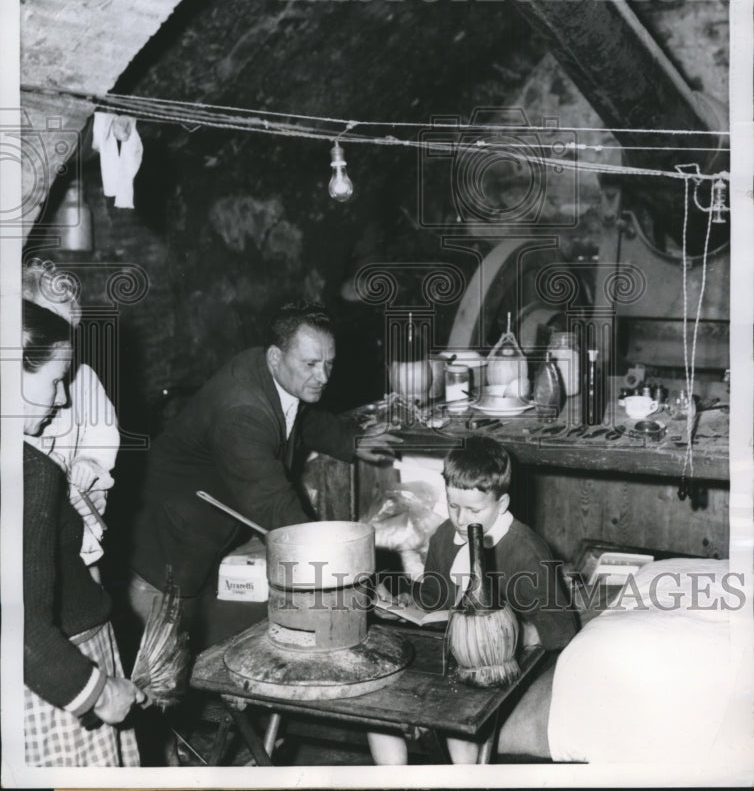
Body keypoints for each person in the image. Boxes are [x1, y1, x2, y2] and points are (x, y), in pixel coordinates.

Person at [128, 301, 399, 635]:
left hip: (211, 518)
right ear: (276, 356)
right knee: (164, 660)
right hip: (170, 542)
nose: (323, 376)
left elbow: (299, 412)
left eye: (329, 363)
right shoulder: (242, 412)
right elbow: (275, 506)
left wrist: (350, 441)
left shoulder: (271, 367)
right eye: (311, 364)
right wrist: (352, 577)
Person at [368, 436, 578, 765]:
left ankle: (467, 776)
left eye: (474, 510)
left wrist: (508, 636)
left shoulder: (524, 550)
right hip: (447, 651)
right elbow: (432, 599)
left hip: (497, 662)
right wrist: (397, 605)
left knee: (458, 719)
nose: (462, 520)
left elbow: (561, 627)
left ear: (502, 504)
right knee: (378, 705)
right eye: (453, 506)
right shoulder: (443, 537)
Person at [22, 298, 144, 766]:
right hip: (56, 669)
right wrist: (97, 691)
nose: (62, 397)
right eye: (54, 380)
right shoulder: (30, 471)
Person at [22, 258, 121, 575]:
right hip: (34, 536)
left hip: (78, 525)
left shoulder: (83, 380)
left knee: (91, 585)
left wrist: (92, 464)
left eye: (68, 331)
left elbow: (104, 433)